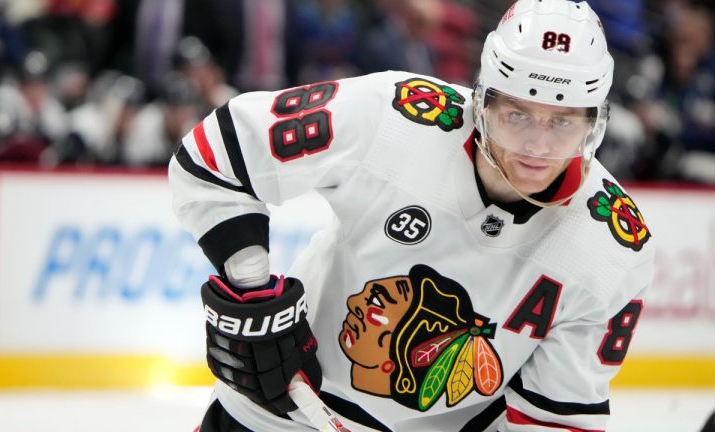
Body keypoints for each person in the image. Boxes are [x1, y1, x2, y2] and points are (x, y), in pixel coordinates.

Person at [168, 0, 656, 430]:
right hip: (275, 417)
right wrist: (253, 290)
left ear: (594, 123)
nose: (538, 147)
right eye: (518, 116)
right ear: (483, 102)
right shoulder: (395, 116)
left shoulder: (614, 245)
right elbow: (218, 151)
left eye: (563, 123)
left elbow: (554, 419)